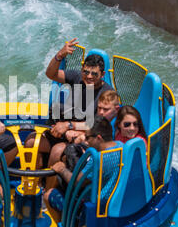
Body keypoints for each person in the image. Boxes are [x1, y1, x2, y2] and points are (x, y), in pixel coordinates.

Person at [26, 38, 115, 168]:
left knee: (57, 151)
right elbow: (51, 74)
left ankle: (50, 188)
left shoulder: (107, 94)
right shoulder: (77, 78)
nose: (89, 76)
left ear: (102, 75)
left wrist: (69, 126)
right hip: (62, 129)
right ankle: (35, 183)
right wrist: (59, 55)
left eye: (94, 74)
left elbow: (97, 125)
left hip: (83, 135)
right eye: (86, 72)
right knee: (30, 141)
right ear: (81, 70)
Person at [43, 115, 123, 222]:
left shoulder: (97, 159)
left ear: (98, 138)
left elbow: (76, 182)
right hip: (113, 199)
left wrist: (61, 169)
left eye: (88, 137)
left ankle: (65, 224)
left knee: (49, 195)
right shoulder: (121, 146)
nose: (85, 140)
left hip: (94, 207)